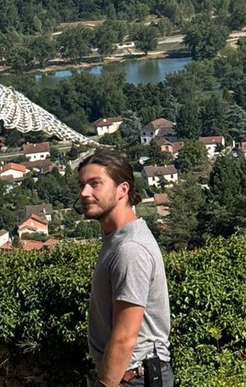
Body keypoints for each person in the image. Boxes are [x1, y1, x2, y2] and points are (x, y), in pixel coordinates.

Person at [78, 148, 172, 387]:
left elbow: (125, 337)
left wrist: (104, 384)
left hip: (133, 379)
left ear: (123, 189)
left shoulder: (130, 248)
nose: (84, 193)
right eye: (82, 185)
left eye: (95, 184)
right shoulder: (117, 240)